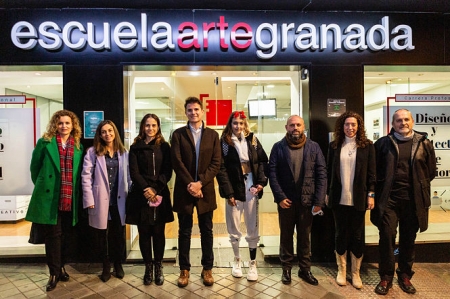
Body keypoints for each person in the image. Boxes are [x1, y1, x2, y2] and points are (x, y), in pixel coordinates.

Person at [371, 108, 436, 295]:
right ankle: (386, 277)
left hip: (414, 201)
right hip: (388, 201)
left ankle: (405, 275)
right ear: (393, 124)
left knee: (408, 239)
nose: (403, 123)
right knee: (387, 237)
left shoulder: (425, 144)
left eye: (406, 119)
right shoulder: (383, 144)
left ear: (412, 122)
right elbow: (374, 172)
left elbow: (429, 172)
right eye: (399, 120)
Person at [26, 110, 83, 292]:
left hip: (69, 197)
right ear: (55, 125)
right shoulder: (45, 142)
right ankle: (53, 273)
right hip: (50, 197)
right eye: (60, 123)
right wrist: (44, 186)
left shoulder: (78, 146)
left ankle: (61, 267)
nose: (64, 126)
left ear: (73, 125)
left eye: (67, 123)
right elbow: (34, 168)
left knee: (65, 235)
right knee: (53, 236)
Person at [268, 115, 327, 286]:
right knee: (285, 237)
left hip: (307, 202)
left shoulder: (314, 147)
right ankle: (286, 269)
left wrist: (319, 201)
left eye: (298, 125)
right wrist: (279, 197)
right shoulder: (278, 147)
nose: (295, 128)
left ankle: (304, 269)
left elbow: (322, 174)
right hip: (286, 201)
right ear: (286, 127)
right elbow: (273, 174)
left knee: (304, 237)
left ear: (303, 127)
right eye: (292, 125)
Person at [171, 96, 221, 287]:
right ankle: (184, 269)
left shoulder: (213, 135)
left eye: (196, 109)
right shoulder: (178, 134)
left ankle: (207, 268)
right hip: (184, 189)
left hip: (205, 190)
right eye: (190, 110)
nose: (193, 113)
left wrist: (200, 183)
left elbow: (216, 163)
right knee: (184, 231)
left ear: (202, 111)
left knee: (207, 231)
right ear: (186, 113)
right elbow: (176, 161)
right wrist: (191, 184)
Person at [216, 111, 268, 281]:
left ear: (245, 125)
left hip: (251, 186)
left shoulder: (252, 139)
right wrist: (228, 192)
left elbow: (262, 161)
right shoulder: (224, 143)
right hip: (234, 189)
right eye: (235, 123)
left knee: (252, 225)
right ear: (230, 124)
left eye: (241, 123)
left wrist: (260, 183)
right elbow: (220, 169)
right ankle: (237, 260)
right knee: (234, 226)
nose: (238, 126)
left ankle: (252, 263)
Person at [326, 111, 376, 289]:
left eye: (353, 124)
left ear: (359, 127)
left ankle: (355, 273)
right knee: (340, 234)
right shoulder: (334, 146)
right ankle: (341, 271)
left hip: (359, 199)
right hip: (338, 198)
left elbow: (372, 173)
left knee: (357, 235)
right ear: (342, 126)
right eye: (347, 124)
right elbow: (328, 172)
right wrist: (326, 193)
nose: (350, 128)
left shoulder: (367, 146)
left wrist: (371, 194)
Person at [81, 120, 131, 282]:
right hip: (100, 200)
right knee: (102, 235)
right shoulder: (93, 152)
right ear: (99, 135)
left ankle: (118, 264)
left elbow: (129, 177)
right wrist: (89, 198)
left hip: (119, 200)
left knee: (118, 234)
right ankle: (105, 266)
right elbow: (85, 177)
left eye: (110, 130)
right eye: (103, 131)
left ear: (115, 132)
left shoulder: (123, 153)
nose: (107, 134)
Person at [128, 113, 174, 285]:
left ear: (158, 127)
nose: (150, 129)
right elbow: (134, 172)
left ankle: (158, 266)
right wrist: (146, 189)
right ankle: (148, 266)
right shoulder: (135, 147)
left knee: (158, 232)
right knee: (145, 232)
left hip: (160, 192)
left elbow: (168, 171)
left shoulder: (164, 147)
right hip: (141, 195)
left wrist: (155, 189)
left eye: (154, 125)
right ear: (142, 127)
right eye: (147, 125)